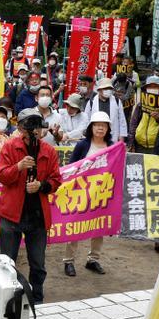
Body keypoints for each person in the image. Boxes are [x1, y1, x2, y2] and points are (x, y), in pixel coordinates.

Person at [0, 108, 63, 304]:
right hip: (11, 213)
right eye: (28, 128)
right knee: (7, 261)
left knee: (37, 262)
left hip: (37, 215)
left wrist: (41, 186)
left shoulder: (49, 151)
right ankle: (6, 298)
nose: (32, 132)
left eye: (36, 128)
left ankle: (37, 297)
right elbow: (1, 176)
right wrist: (18, 167)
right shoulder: (10, 147)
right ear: (20, 129)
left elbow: (56, 180)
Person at [63, 111, 113, 276]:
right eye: (97, 125)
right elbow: (72, 166)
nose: (100, 129)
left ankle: (93, 259)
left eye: (103, 126)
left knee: (99, 227)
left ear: (108, 128)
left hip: (101, 194)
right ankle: (69, 261)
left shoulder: (112, 146)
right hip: (81, 192)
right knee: (75, 225)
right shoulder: (83, 145)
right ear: (91, 127)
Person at [84, 76, 129, 145]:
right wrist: (88, 135)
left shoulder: (117, 101)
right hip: (96, 136)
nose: (107, 90)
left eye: (109, 88)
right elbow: (86, 119)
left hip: (113, 135)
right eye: (105, 88)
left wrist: (122, 137)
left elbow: (122, 120)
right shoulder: (92, 102)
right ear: (99, 90)